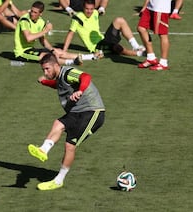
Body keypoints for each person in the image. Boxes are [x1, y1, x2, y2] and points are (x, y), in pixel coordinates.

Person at [28, 53, 105, 190]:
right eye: (43, 70)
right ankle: (43, 150)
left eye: (47, 69)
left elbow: (85, 77)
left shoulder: (68, 72)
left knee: (70, 146)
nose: (45, 73)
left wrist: (80, 91)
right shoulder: (60, 77)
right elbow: (60, 85)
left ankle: (59, 180)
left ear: (56, 65)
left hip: (93, 111)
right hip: (76, 111)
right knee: (58, 123)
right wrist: (45, 82)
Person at [14, 1, 92, 65]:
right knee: (48, 57)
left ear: (40, 14)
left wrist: (52, 49)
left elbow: (43, 40)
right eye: (31, 11)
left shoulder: (41, 22)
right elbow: (28, 38)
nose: (32, 14)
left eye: (35, 12)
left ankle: (90, 57)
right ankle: (72, 62)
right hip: (22, 52)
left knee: (57, 51)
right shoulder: (25, 20)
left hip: (31, 49)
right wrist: (45, 31)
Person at [62, 0, 145, 59]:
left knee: (120, 21)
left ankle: (136, 47)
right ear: (83, 7)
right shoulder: (77, 18)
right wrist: (64, 51)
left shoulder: (95, 13)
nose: (89, 11)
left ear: (94, 7)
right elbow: (70, 34)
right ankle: (140, 53)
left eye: (91, 9)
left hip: (103, 39)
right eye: (87, 9)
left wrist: (102, 9)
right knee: (116, 47)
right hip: (97, 47)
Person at [137, 0, 171, 71]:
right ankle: (151, 58)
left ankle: (163, 63)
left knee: (162, 34)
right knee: (141, 28)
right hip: (150, 6)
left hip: (161, 8)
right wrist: (145, 6)